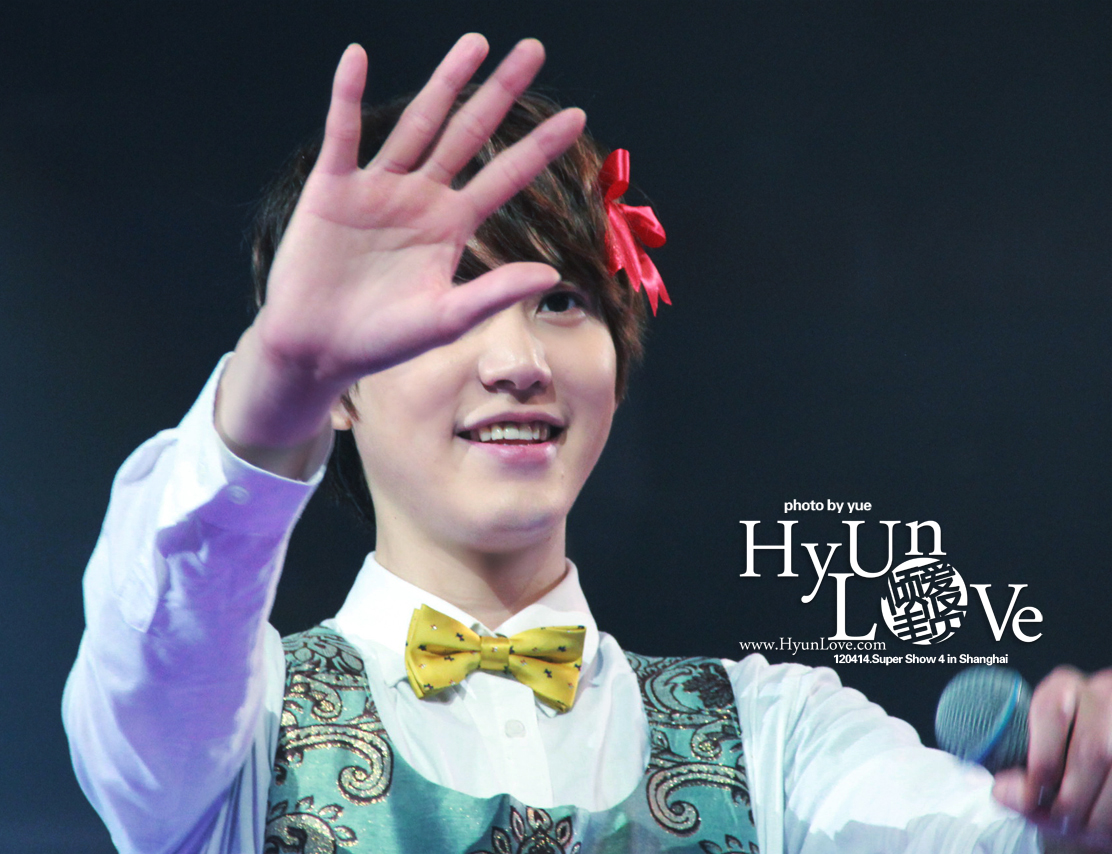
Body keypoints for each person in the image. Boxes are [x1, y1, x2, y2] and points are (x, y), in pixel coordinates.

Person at [62, 34, 1112, 854]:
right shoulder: (232, 735)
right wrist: (275, 380)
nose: (518, 359)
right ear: (338, 388)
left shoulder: (775, 737)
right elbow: (157, 624)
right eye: (445, 304)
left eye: (560, 301)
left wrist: (1085, 807)